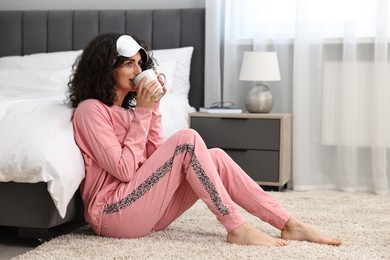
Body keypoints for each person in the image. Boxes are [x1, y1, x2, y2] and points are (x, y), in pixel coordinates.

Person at [67, 32, 342, 247]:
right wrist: (142, 112)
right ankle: (237, 227)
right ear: (106, 68)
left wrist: (153, 108)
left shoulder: (129, 112)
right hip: (113, 214)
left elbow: (152, 160)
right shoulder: (90, 110)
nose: (137, 70)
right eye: (128, 63)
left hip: (145, 210)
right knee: (187, 140)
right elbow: (125, 171)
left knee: (217, 158)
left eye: (140, 63)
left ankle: (288, 222)